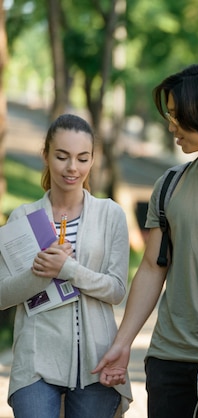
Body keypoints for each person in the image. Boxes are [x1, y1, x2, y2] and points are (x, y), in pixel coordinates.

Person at [92, 63, 198, 418]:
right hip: (170, 359)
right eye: (169, 116)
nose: (171, 127)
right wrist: (122, 344)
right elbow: (153, 270)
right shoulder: (170, 184)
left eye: (178, 116)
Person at [0, 114, 132, 417]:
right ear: (45, 155)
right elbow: (2, 294)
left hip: (95, 362)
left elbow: (117, 289)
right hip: (35, 362)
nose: (72, 167)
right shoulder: (23, 217)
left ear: (92, 160)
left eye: (82, 158)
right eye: (62, 156)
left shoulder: (110, 214)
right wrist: (41, 271)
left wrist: (69, 270)